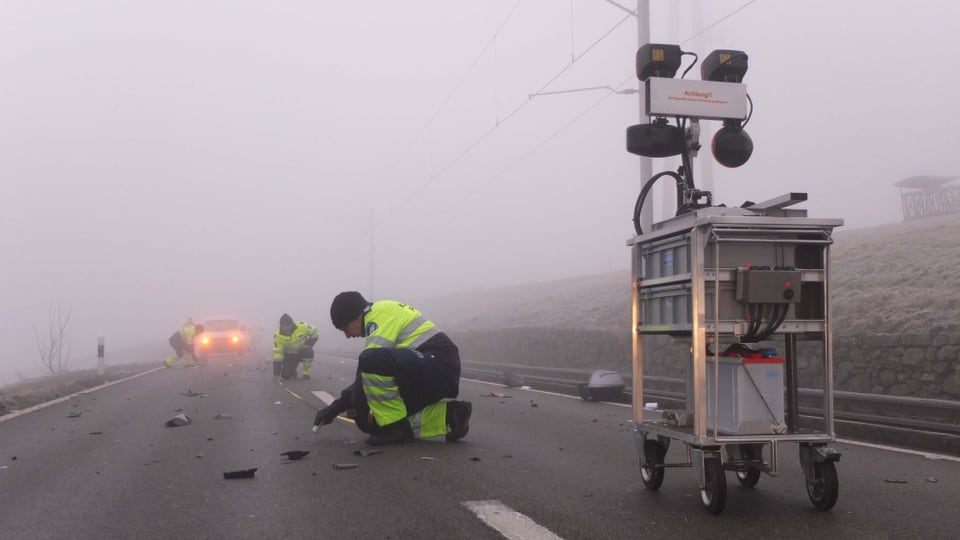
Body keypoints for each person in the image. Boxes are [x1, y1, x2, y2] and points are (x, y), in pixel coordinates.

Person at [313, 291, 471, 446]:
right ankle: (451, 416)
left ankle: (394, 428)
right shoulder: (378, 314)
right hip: (432, 370)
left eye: (345, 328)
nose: (347, 335)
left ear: (356, 315)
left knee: (370, 362)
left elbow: (369, 367)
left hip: (438, 364)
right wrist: (339, 408)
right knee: (371, 419)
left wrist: (344, 405)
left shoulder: (379, 315)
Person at [273, 313, 319, 380]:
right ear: (281, 326)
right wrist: (276, 374)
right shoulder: (278, 336)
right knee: (285, 376)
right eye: (284, 326)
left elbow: (315, 331)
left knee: (308, 351)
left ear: (292, 324)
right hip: (290, 356)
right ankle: (293, 372)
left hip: (302, 352)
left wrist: (308, 344)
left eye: (288, 325)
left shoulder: (302, 326)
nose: (286, 328)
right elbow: (278, 355)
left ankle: (306, 373)